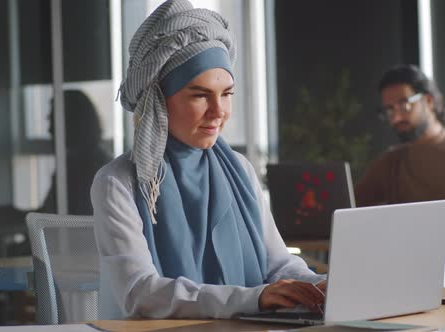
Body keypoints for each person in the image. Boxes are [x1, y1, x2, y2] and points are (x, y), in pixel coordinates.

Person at [91, 0, 326, 320]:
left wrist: (324, 285)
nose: (219, 112)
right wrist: (254, 299)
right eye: (200, 95)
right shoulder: (118, 182)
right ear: (160, 101)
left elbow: (279, 266)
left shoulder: (239, 170)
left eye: (227, 94)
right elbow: (140, 293)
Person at [355, 65, 445, 234]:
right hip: (400, 255)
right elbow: (351, 206)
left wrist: (433, 227)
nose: (396, 117)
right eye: (389, 110)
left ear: (429, 101)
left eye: (404, 105)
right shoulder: (391, 161)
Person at [0, 89, 111, 256]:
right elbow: (49, 214)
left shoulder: (89, 167)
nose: (49, 129)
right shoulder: (80, 162)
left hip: (67, 256)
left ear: (70, 122)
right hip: (59, 248)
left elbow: (64, 224)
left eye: (52, 120)